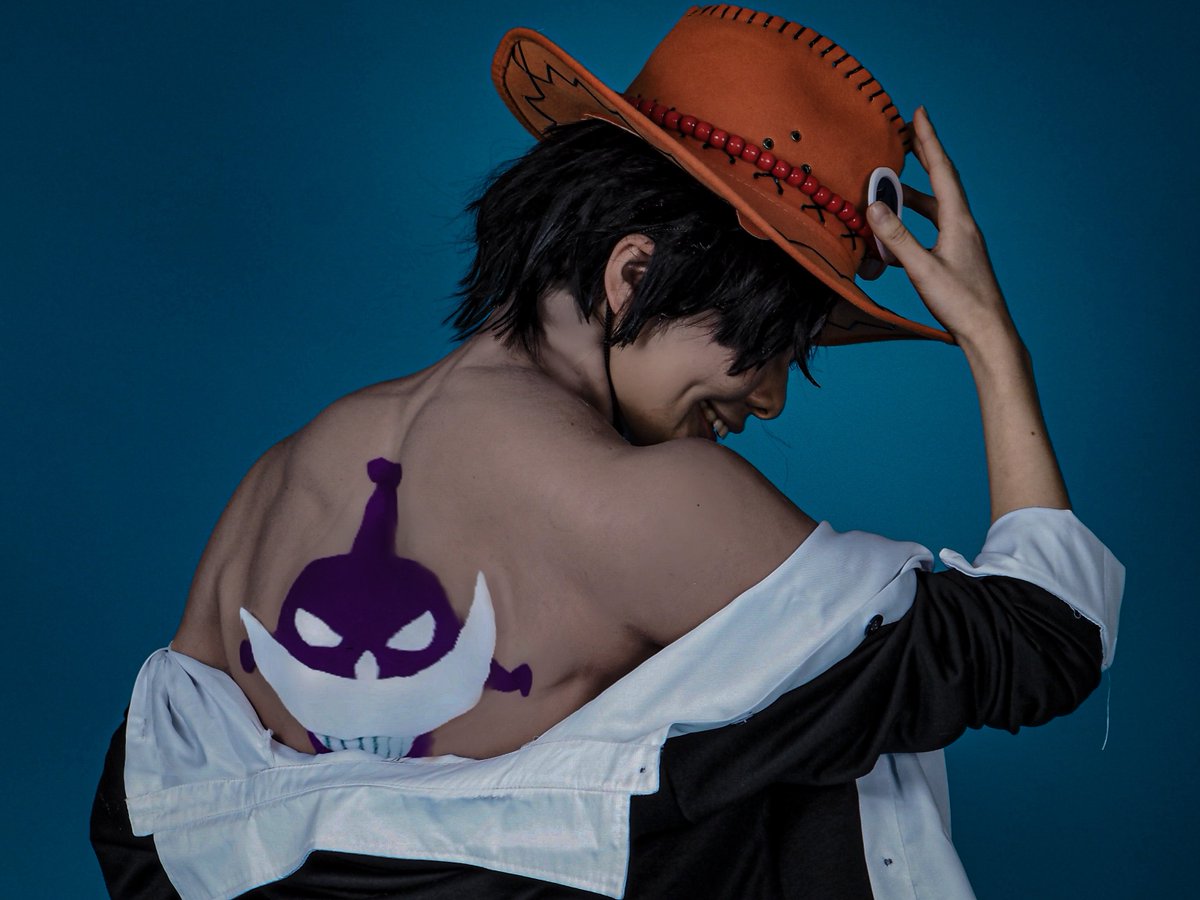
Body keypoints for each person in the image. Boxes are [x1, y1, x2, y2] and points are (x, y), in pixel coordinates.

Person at [91, 6, 1123, 898]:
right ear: (633, 275)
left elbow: (156, 826)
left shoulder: (275, 482)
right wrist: (994, 343)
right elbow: (1042, 640)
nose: (768, 397)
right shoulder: (643, 504)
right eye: (766, 342)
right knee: (832, 728)